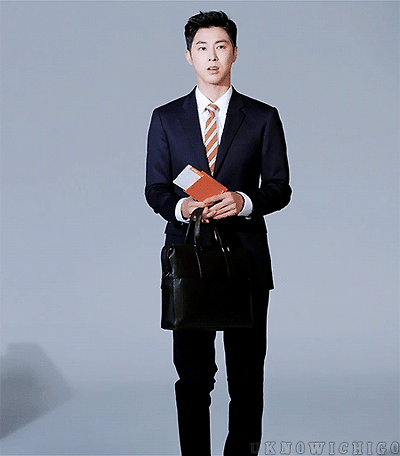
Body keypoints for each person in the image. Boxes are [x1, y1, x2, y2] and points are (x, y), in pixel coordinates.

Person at [145, 10, 291, 456]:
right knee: (192, 376)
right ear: (188, 56)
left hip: (245, 261)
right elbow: (155, 188)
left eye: (221, 47)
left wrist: (244, 202)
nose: (212, 56)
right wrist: (182, 206)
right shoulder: (166, 118)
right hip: (189, 261)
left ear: (235, 53)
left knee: (246, 375)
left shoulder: (262, 117)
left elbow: (280, 187)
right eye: (202, 48)